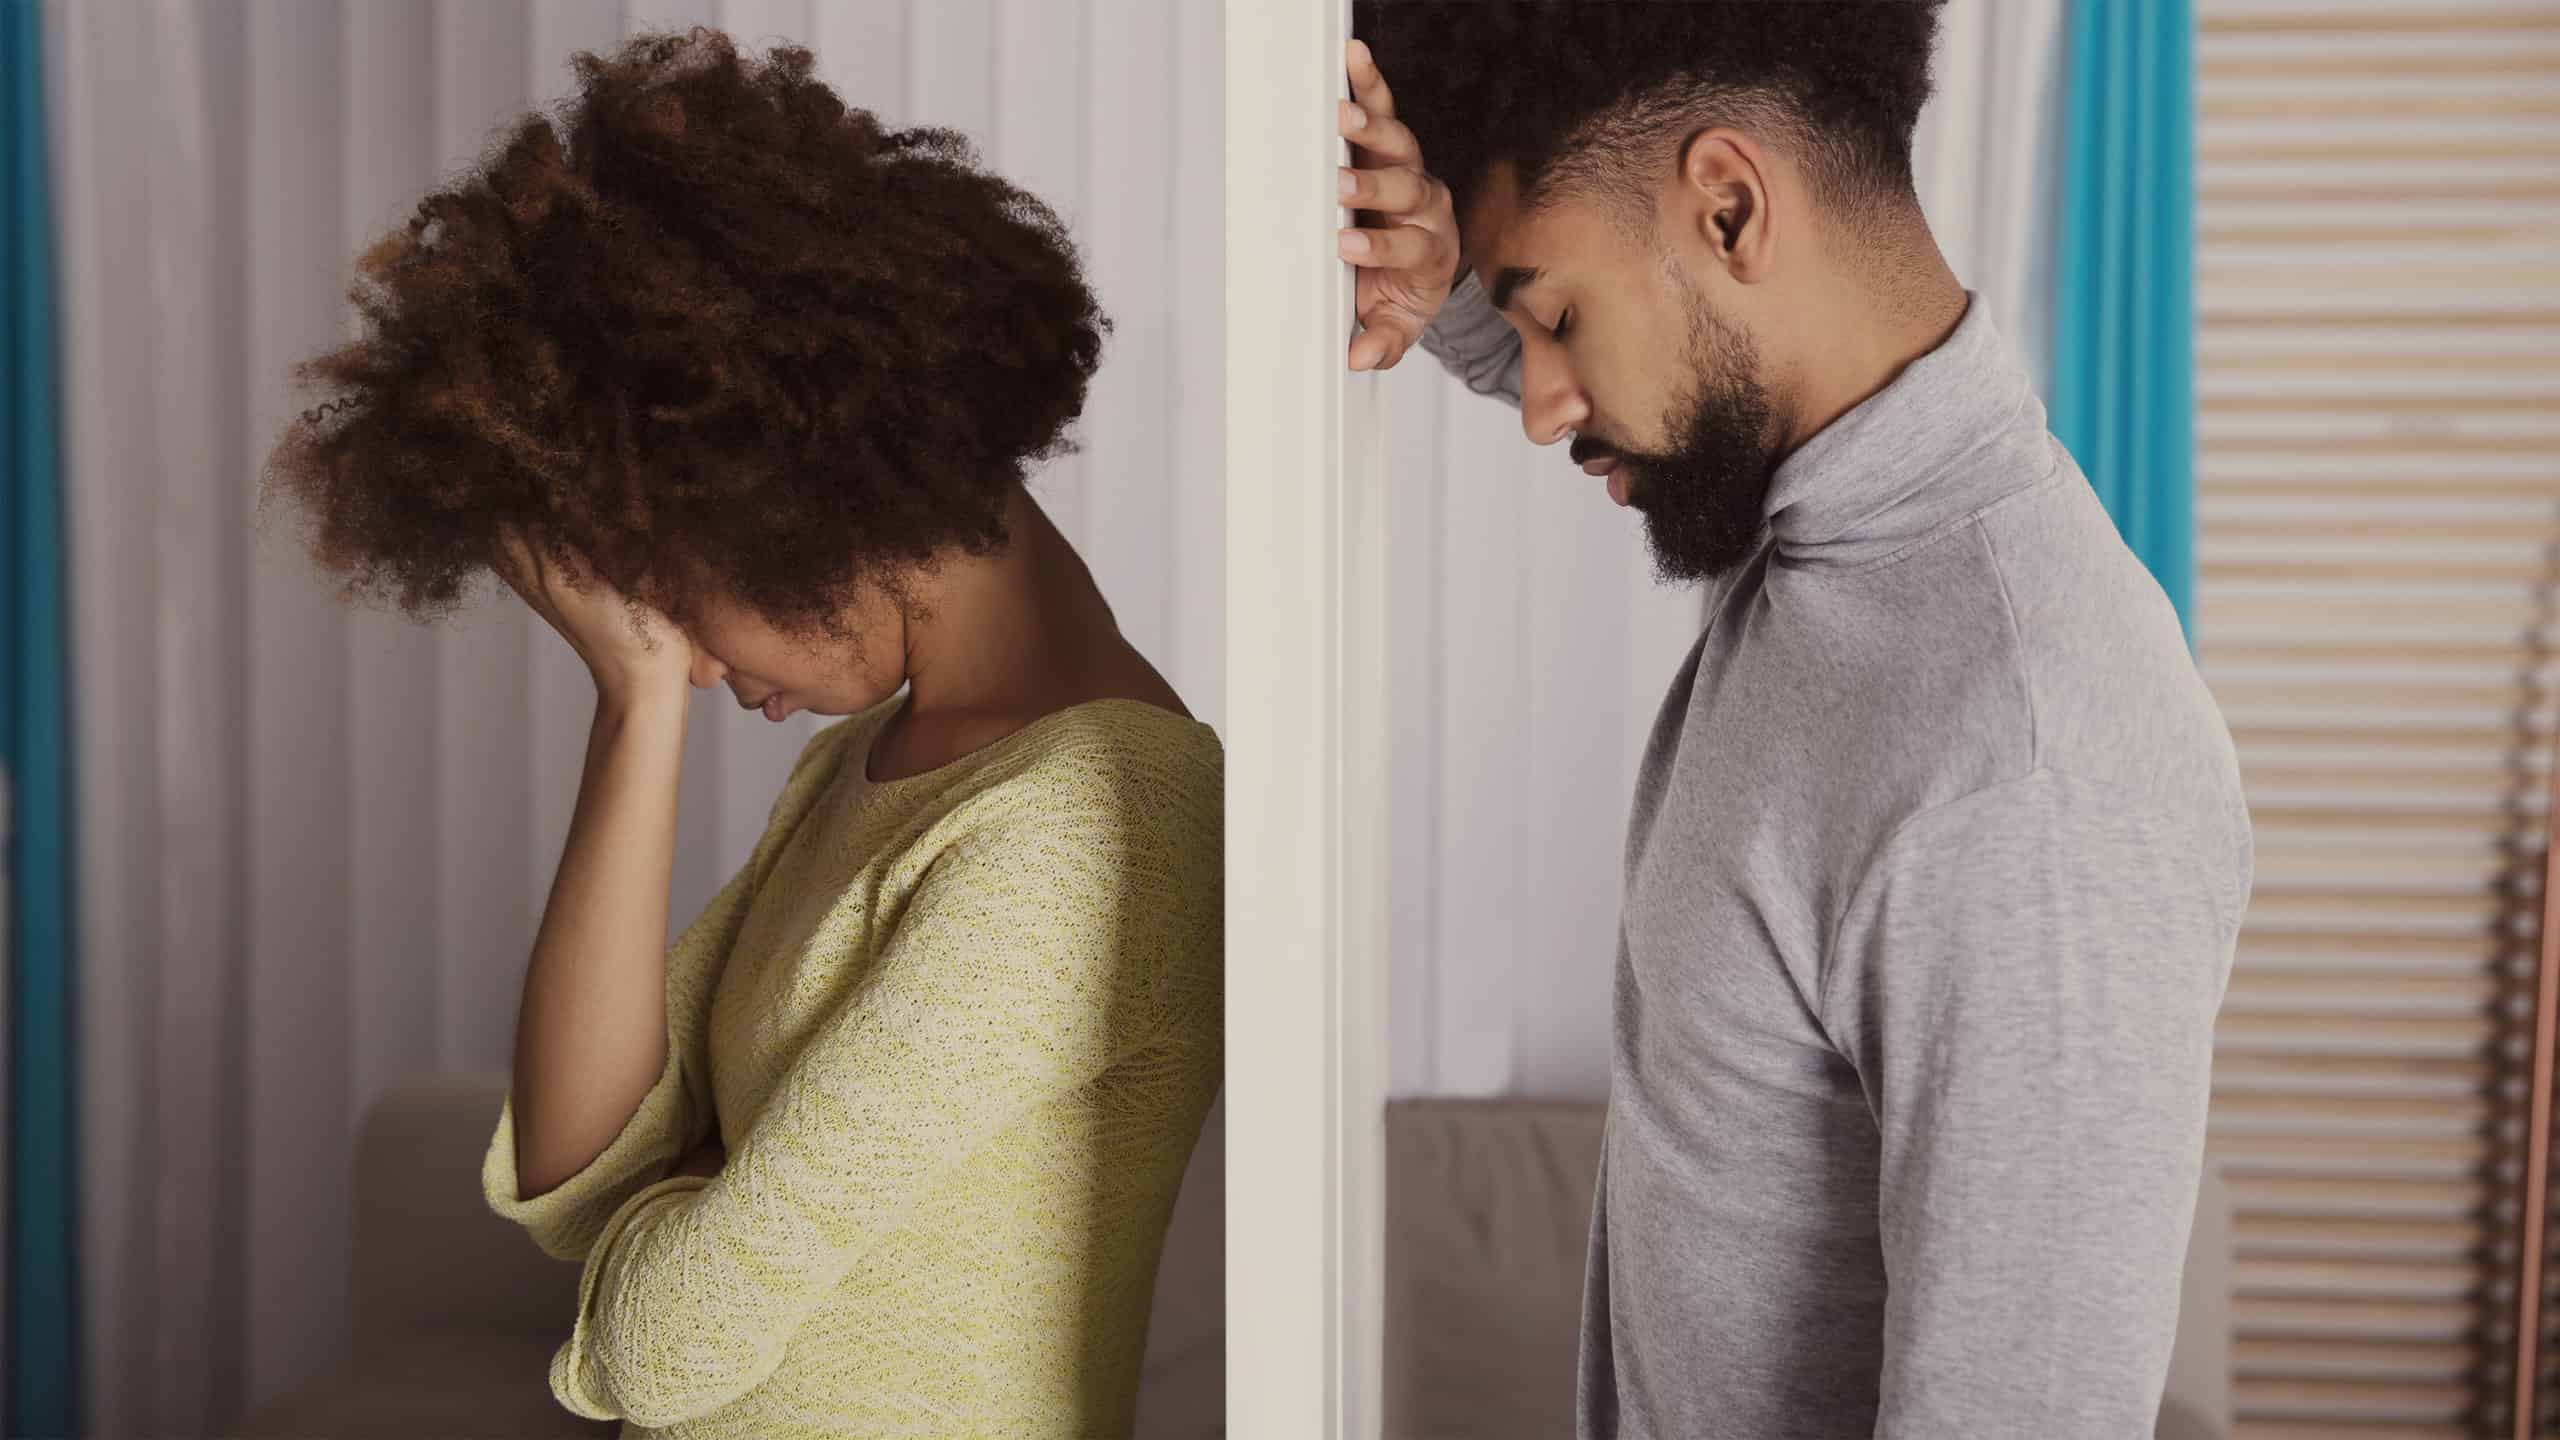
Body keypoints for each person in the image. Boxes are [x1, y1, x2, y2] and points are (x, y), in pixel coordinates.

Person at [256, 28, 1221, 1437]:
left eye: (668, 604)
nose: (695, 660)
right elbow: (585, 1183)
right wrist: (632, 705)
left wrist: (706, 1188)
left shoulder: (1096, 810)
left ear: (787, 495)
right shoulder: (879, 761)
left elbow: (666, 1344)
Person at [1339, 4, 2252, 1436]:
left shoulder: (2027, 758)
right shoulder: (1832, 527)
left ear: (1728, 205)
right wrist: (1463, 273)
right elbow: (1626, 363)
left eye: (1557, 318)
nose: (1538, 400)